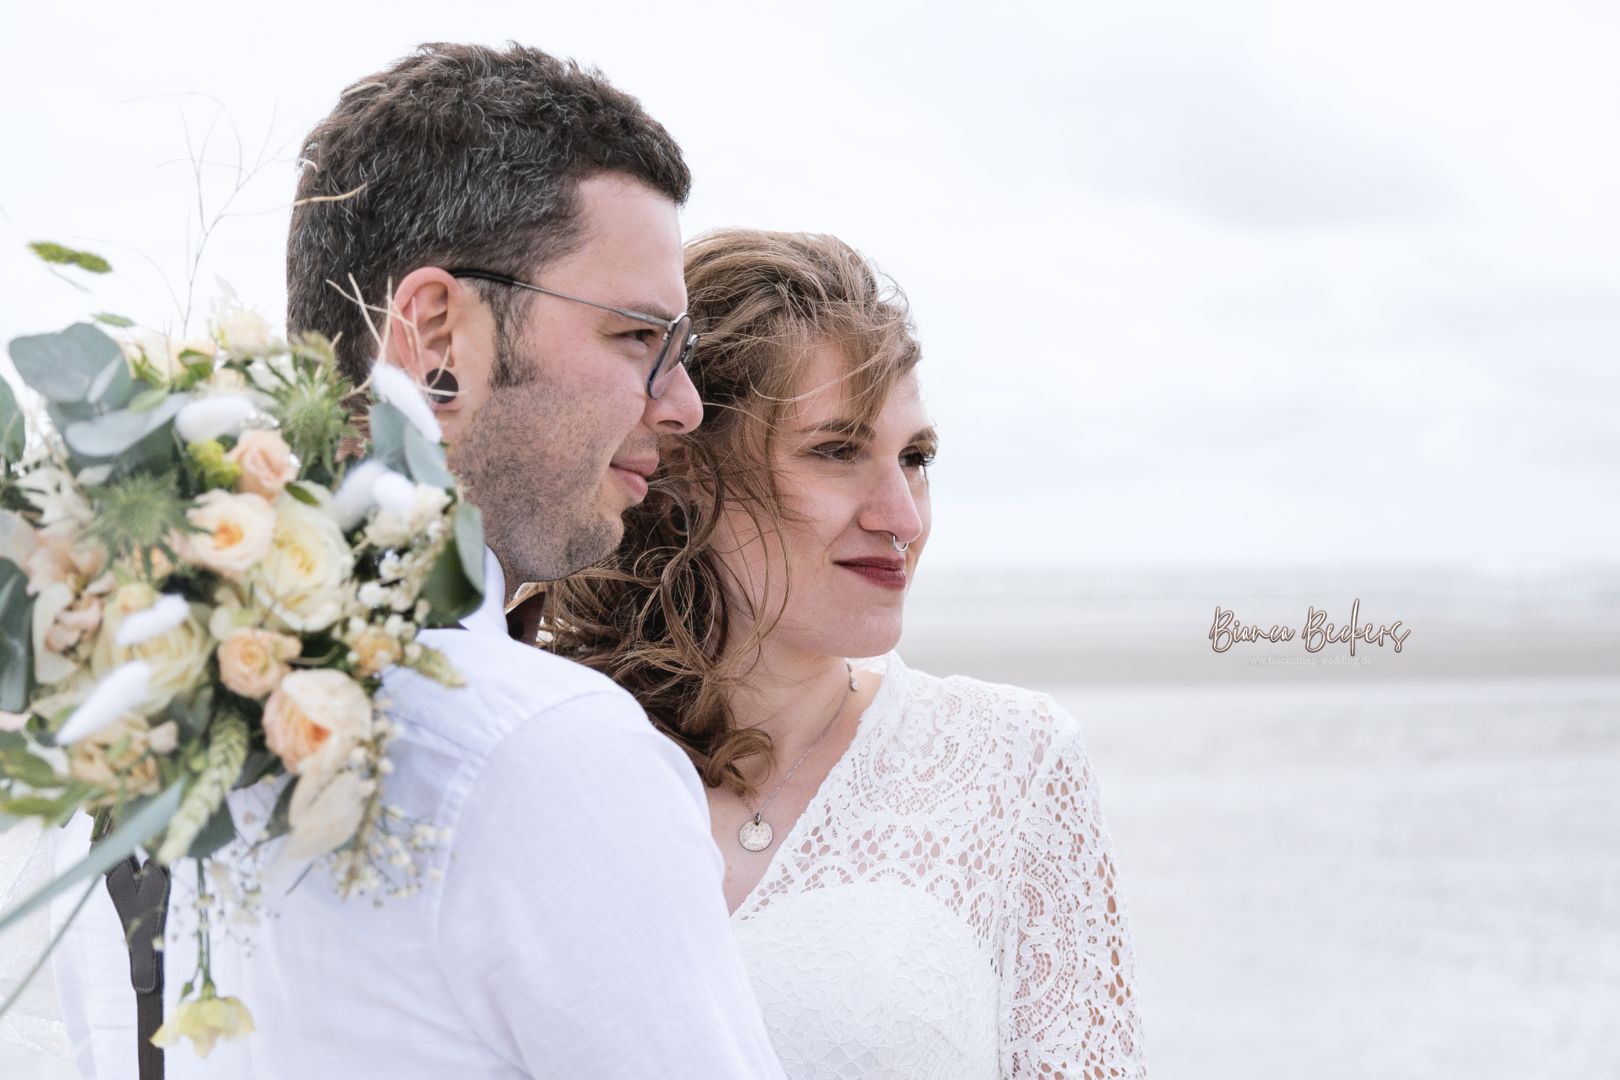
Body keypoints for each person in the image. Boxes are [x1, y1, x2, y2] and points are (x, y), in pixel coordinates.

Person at [50, 44, 786, 1080]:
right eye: (637, 338)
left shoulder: (127, 724)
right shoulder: (544, 752)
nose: (683, 405)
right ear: (437, 334)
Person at [540, 229, 1150, 1078]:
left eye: (916, 459)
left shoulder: (1009, 761)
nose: (902, 516)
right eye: (836, 451)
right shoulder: (545, 752)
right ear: (683, 469)